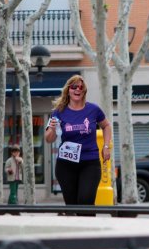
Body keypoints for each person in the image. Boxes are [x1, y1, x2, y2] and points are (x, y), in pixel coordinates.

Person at [45, 75, 112, 206]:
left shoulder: (93, 109)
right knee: (71, 204)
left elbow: (106, 126)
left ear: (84, 91)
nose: (77, 89)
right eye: (74, 86)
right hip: (66, 165)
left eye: (81, 87)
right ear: (68, 90)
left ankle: (88, 225)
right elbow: (49, 139)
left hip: (90, 162)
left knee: (86, 200)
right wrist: (52, 129)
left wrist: (106, 146)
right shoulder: (59, 112)